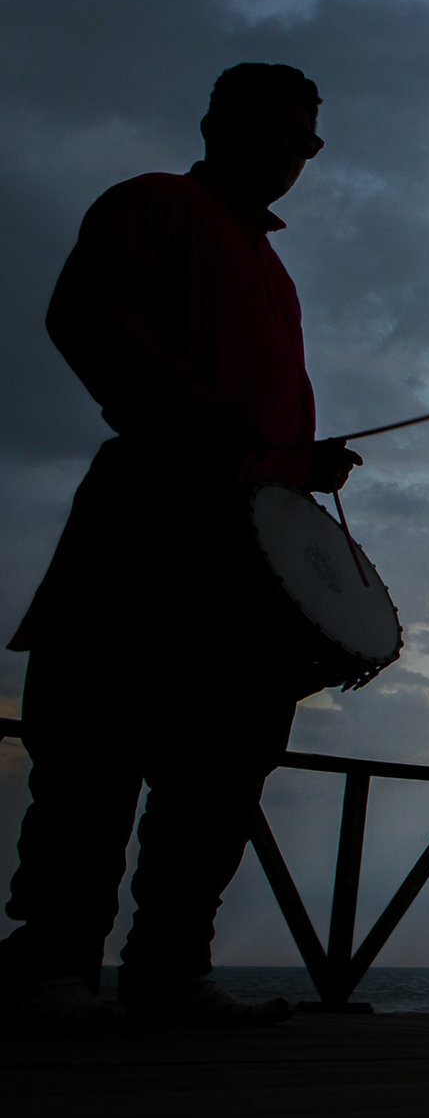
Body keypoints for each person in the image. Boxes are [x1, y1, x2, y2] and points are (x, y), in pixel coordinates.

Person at [0, 63, 358, 1032]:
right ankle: (52, 963)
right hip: (151, 512)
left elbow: (258, 417)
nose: (295, 155)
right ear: (220, 124)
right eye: (283, 131)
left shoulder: (274, 271)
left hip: (248, 557)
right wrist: (202, 415)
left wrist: (301, 462)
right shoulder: (154, 203)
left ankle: (169, 965)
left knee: (222, 765)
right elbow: (87, 316)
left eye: (307, 141)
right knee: (95, 748)